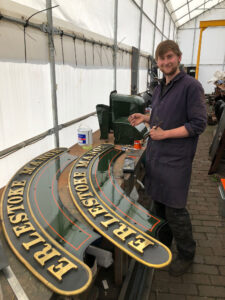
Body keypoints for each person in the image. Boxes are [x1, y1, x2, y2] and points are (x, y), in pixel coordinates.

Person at [128, 40, 207, 276]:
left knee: (175, 210)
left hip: (176, 159)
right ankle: (163, 246)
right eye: (161, 59)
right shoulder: (161, 87)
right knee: (158, 207)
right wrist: (144, 118)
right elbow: (160, 117)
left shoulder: (191, 87)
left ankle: (186, 254)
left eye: (169, 57)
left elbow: (198, 124)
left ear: (179, 58)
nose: (165, 62)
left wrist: (164, 135)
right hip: (157, 156)